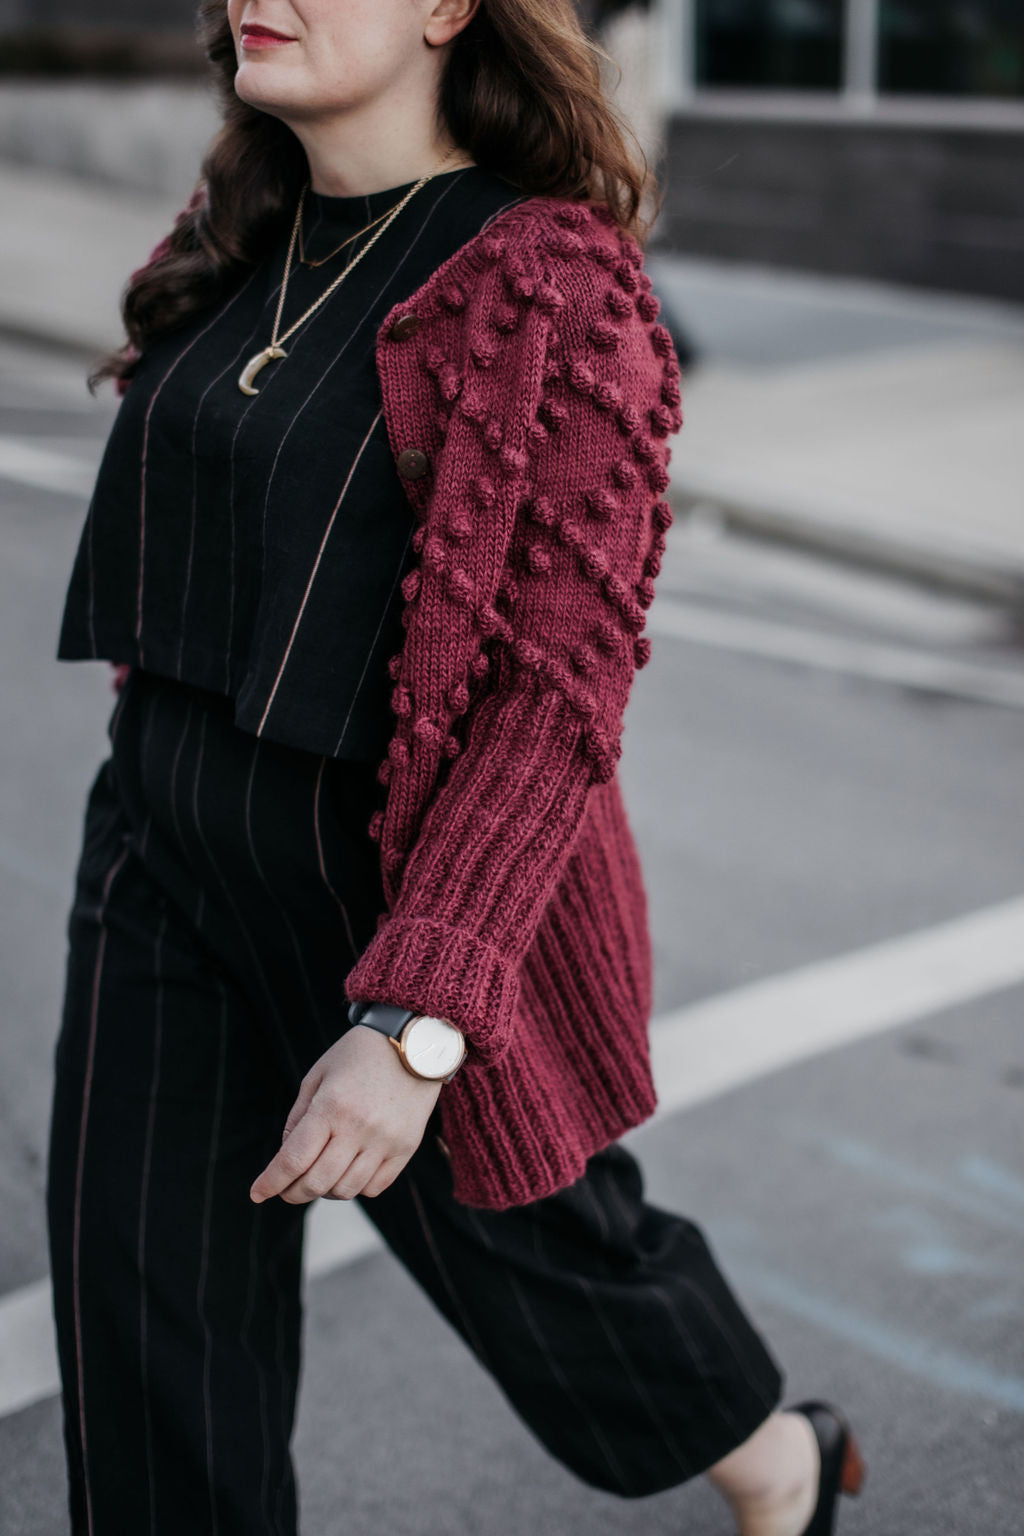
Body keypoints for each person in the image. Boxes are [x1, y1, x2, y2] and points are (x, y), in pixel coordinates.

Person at [44, 1, 865, 1532]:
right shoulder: (244, 223)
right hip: (159, 847)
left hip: (400, 889)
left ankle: (780, 1460)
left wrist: (420, 1021)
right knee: (143, 1330)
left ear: (447, 9)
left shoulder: (553, 286)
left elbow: (558, 698)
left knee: (544, 1259)